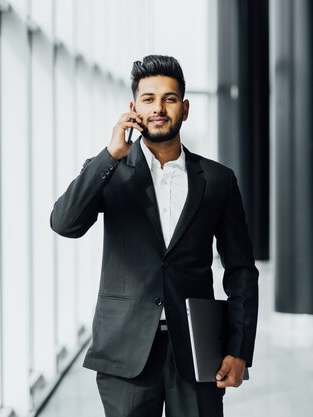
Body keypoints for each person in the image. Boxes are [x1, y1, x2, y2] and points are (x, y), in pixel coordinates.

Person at [50, 55, 258, 417]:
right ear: (133, 108)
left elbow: (241, 270)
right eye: (148, 99)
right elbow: (65, 223)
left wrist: (239, 349)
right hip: (125, 352)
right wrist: (112, 153)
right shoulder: (109, 171)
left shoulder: (218, 181)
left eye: (169, 98)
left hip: (196, 350)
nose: (158, 108)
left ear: (185, 108)